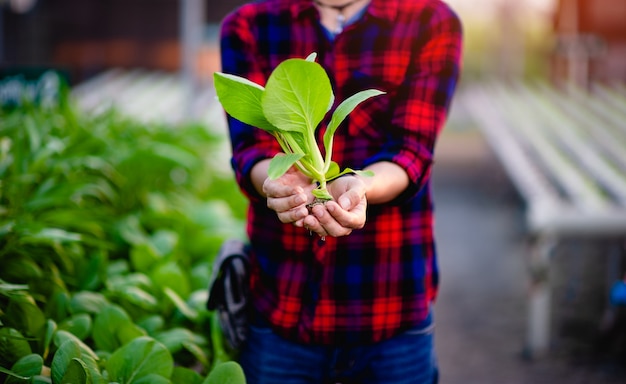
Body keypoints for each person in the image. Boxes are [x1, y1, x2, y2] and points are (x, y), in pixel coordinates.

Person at [218, 0, 463, 382]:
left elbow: (412, 150)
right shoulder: (249, 24)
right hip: (282, 308)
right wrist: (280, 181)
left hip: (390, 306)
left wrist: (361, 186)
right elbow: (251, 150)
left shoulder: (430, 20)